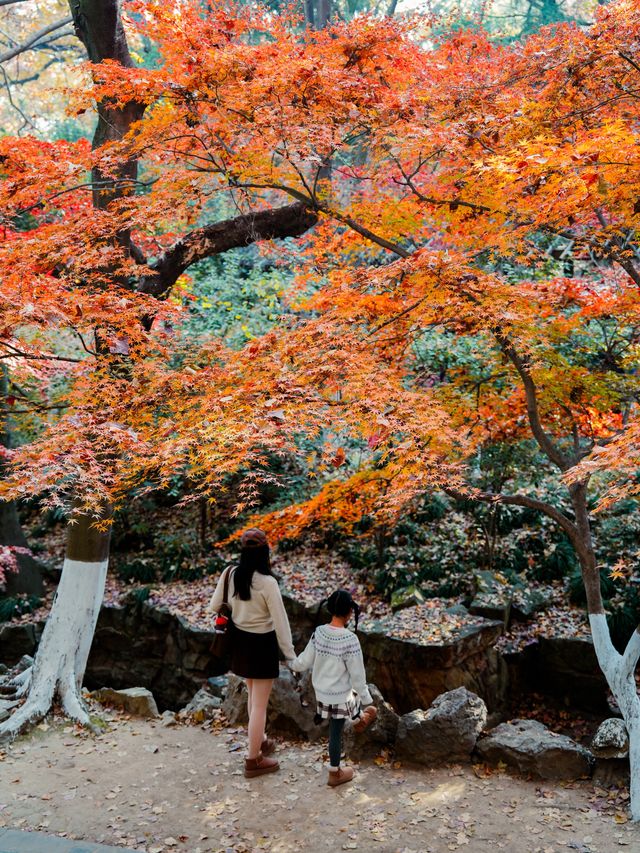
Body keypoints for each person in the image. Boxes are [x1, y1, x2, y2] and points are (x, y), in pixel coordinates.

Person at [208, 527, 295, 778]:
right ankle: (253, 760)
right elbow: (281, 622)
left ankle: (261, 740)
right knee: (259, 705)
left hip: (240, 642)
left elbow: (215, 606)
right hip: (262, 644)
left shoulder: (230, 573)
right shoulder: (268, 583)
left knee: (252, 696)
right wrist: (290, 654)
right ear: (265, 552)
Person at [288, 589, 377, 787]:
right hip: (341, 697)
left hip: (322, 696)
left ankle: (357, 717)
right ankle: (335, 771)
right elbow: (358, 676)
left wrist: (291, 662)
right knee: (342, 722)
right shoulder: (350, 640)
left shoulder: (318, 633)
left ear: (330, 610)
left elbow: (303, 662)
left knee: (336, 725)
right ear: (349, 613)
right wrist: (368, 700)